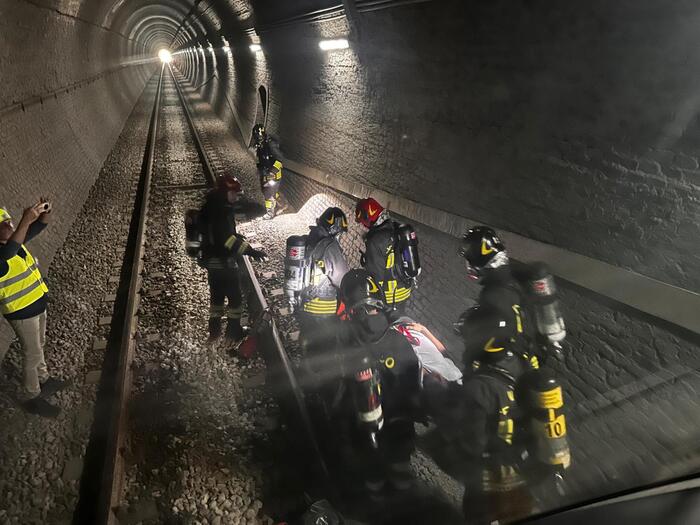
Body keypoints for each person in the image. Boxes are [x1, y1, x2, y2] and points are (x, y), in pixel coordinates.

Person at [446, 305, 539, 524]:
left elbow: (472, 444)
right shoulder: (521, 360)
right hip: (524, 462)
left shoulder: (479, 388)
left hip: (491, 471)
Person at [336, 269, 421, 502]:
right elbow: (414, 374)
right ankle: (404, 494)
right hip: (402, 417)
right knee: (400, 461)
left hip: (366, 420)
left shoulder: (346, 337)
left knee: (370, 460)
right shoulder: (400, 333)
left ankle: (376, 496)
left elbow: (340, 377)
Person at [0, 201, 69, 417]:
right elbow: (9, 253)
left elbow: (39, 226)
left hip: (37, 305)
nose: (10, 224)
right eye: (4, 223)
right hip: (21, 312)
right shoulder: (4, 252)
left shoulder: (12, 242)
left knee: (39, 345)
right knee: (31, 354)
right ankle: (32, 397)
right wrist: (24, 220)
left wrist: (45, 213)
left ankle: (44, 379)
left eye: (9, 220)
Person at [198, 175, 267, 344]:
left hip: (212, 262)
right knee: (235, 300)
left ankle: (214, 333)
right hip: (225, 262)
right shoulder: (224, 210)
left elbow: (217, 233)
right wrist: (251, 251)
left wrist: (235, 234)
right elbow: (227, 241)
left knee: (217, 300)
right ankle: (233, 332)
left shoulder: (209, 207)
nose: (236, 197)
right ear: (225, 192)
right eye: (233, 193)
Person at [297, 207, 350, 377]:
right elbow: (342, 279)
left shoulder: (309, 238)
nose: (340, 234)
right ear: (333, 228)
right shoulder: (330, 247)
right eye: (339, 230)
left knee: (309, 339)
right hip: (324, 308)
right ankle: (323, 380)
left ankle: (307, 372)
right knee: (326, 346)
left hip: (304, 302)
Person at [354, 198, 414, 315]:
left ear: (368, 216)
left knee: (388, 326)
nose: (363, 224)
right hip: (404, 289)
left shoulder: (374, 240)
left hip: (390, 295)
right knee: (400, 318)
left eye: (362, 220)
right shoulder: (395, 228)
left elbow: (375, 274)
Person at [251, 124, 284, 220]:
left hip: (273, 174)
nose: (258, 139)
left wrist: (272, 172)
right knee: (270, 191)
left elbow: (280, 159)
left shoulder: (270, 145)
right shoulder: (260, 145)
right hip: (265, 173)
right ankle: (282, 204)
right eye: (256, 137)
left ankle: (269, 213)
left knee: (267, 193)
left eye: (259, 137)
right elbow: (261, 159)